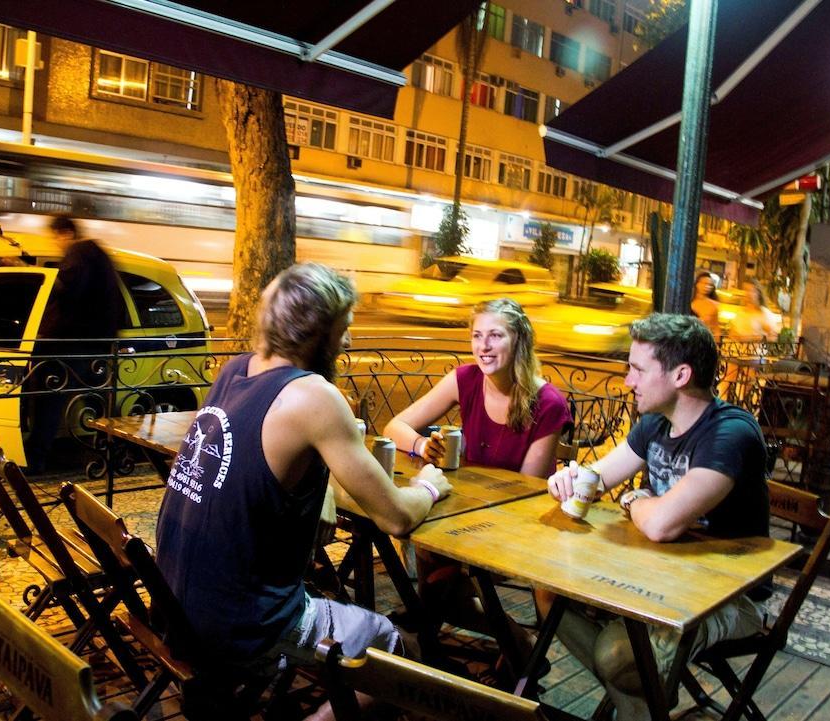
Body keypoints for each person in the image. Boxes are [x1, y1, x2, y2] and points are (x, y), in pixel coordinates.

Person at [154, 263, 451, 717]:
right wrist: (428, 487)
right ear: (317, 331)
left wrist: (325, 487)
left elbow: (268, 459)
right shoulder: (313, 395)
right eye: (344, 330)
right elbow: (395, 517)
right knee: (397, 653)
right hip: (244, 625)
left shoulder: (234, 372)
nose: (348, 343)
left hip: (175, 609)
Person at [547, 313, 770, 721]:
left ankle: (644, 698)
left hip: (727, 597)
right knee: (548, 595)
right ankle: (646, 705)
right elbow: (597, 476)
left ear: (681, 375)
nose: (627, 380)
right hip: (656, 578)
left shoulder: (729, 433)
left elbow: (661, 525)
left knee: (617, 654)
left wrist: (634, 500)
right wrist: (568, 478)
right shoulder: (654, 424)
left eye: (637, 369)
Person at [384, 298, 571, 634]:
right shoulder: (465, 379)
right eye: (477, 336)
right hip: (465, 511)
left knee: (438, 580)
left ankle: (512, 643)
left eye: (495, 336)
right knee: (424, 539)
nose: (483, 346)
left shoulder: (548, 403)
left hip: (516, 524)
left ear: (519, 341)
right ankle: (503, 641)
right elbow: (394, 426)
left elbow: (524, 490)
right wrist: (422, 445)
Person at [24, 215, 123, 474]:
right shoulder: (101, 255)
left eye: (54, 238)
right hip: (100, 344)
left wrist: (32, 274)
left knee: (49, 402)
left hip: (70, 345)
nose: (56, 244)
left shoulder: (79, 253)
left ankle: (35, 462)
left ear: (64, 233)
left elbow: (65, 287)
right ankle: (108, 458)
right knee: (101, 405)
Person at [690, 271, 721, 339]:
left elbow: (716, 329)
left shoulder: (714, 305)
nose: (707, 287)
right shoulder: (689, 302)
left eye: (710, 285)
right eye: (704, 283)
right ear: (697, 284)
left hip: (705, 341)